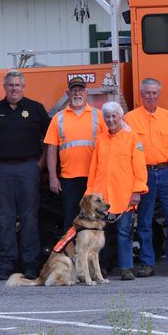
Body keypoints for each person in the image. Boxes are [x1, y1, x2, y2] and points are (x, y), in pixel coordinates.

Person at [0, 70, 50, 281]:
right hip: (2, 169)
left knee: (29, 218)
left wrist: (40, 165)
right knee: (5, 218)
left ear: (24, 87)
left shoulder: (36, 109)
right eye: (10, 85)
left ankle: (30, 265)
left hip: (28, 168)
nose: (14, 89)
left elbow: (50, 139)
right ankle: (5, 265)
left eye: (18, 85)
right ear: (4, 86)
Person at [124, 78, 168, 278]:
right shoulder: (130, 119)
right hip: (144, 175)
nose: (151, 96)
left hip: (167, 174)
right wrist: (135, 180)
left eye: (154, 93)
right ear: (141, 94)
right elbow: (126, 150)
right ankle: (147, 264)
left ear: (159, 94)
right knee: (144, 222)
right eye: (147, 93)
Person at [85, 101, 148, 281]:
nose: (111, 120)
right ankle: (101, 268)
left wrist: (137, 192)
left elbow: (139, 168)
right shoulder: (101, 140)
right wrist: (90, 193)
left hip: (124, 195)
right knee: (100, 234)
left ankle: (125, 268)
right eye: (107, 116)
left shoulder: (133, 138)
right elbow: (94, 168)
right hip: (101, 197)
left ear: (121, 117)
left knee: (123, 233)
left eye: (114, 116)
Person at [45, 76, 106, 232]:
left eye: (80, 90)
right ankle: (71, 256)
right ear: (68, 93)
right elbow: (51, 150)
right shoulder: (58, 118)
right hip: (69, 179)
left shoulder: (99, 116)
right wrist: (53, 177)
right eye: (74, 90)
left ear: (86, 93)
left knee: (97, 221)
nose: (77, 93)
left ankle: (95, 256)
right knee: (71, 221)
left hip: (94, 179)